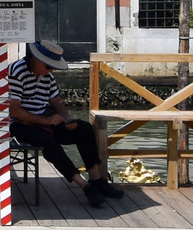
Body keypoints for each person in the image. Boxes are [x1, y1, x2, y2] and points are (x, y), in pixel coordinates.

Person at [8, 40, 124, 208]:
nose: (51, 70)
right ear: (37, 59)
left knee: (84, 129)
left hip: (43, 119)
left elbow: (57, 103)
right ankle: (84, 186)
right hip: (19, 125)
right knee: (49, 142)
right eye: (48, 66)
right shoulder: (17, 72)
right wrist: (46, 120)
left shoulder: (47, 75)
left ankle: (96, 180)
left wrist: (67, 120)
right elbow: (14, 111)